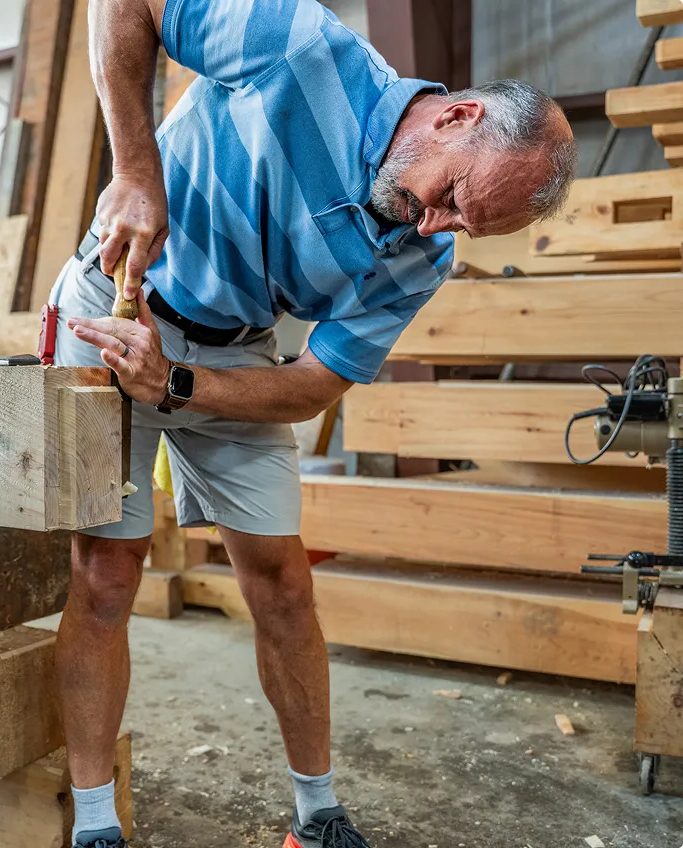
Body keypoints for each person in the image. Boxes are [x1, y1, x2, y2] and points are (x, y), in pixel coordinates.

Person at [51, 1, 577, 846]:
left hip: (231, 355)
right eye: (450, 198)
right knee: (108, 577)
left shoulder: (420, 253)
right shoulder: (298, 46)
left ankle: (317, 817)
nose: (438, 228)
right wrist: (136, 170)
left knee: (285, 588)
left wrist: (177, 384)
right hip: (114, 306)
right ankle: (95, 825)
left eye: (463, 227)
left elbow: (310, 387)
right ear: (456, 115)